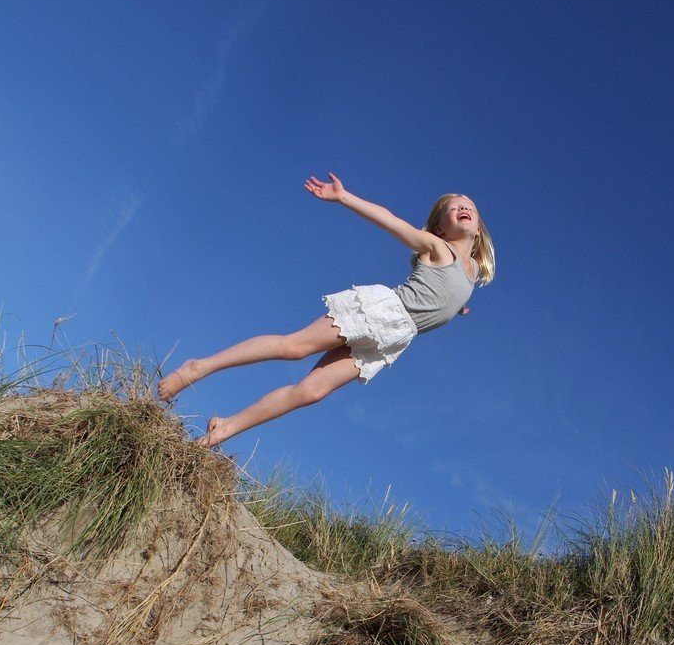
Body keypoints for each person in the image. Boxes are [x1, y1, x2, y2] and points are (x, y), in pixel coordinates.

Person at [157, 173, 495, 447]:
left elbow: (445, 295)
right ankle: (197, 368)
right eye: (454, 208)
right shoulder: (437, 247)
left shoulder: (473, 274)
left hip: (393, 339)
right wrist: (344, 197)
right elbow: (392, 222)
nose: (462, 208)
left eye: (468, 206)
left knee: (311, 392)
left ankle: (226, 427)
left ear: (478, 227)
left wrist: (457, 306)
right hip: (380, 312)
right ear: (439, 228)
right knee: (294, 348)